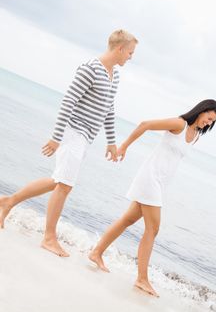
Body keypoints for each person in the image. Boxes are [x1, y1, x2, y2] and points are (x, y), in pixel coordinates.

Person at [0, 29, 138, 257]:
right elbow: (68, 101)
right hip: (73, 132)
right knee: (64, 185)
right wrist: (56, 137)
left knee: (58, 181)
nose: (130, 57)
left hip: (85, 138)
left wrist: (112, 142)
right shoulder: (90, 68)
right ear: (120, 48)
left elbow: (109, 110)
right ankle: (48, 238)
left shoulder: (114, 75)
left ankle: (8, 202)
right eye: (130, 53)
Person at [89, 99, 216, 297]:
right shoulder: (179, 124)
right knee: (153, 228)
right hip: (149, 178)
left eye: (212, 122)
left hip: (160, 184)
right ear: (202, 111)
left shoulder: (195, 136)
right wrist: (124, 146)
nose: (209, 123)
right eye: (209, 118)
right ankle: (142, 278)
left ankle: (96, 252)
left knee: (127, 219)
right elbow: (145, 124)